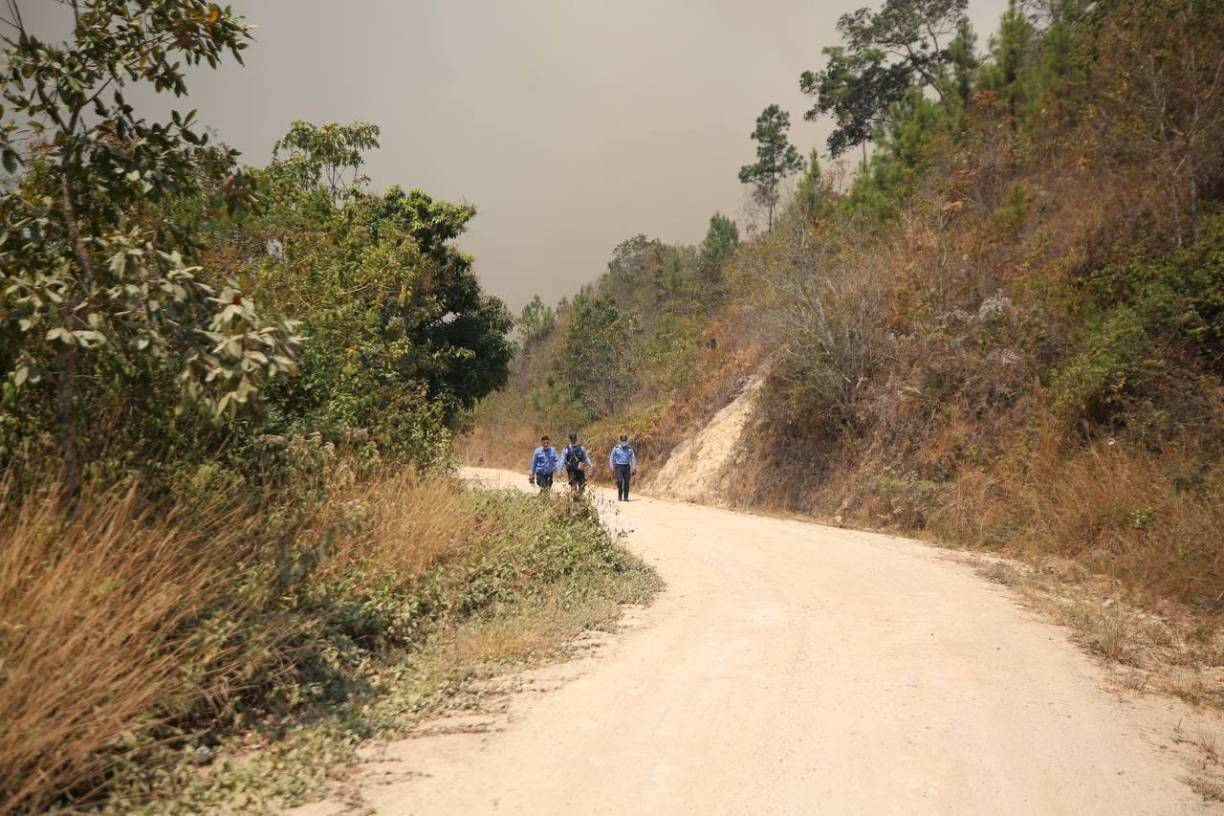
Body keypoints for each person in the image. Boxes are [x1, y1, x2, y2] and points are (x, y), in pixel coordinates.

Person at [608, 434, 637, 501]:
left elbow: (633, 458)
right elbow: (611, 457)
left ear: (627, 441)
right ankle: (620, 495)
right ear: (620, 441)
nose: (624, 442)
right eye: (622, 441)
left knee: (627, 482)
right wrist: (611, 466)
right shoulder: (616, 448)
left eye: (625, 441)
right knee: (620, 481)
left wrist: (634, 468)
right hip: (618, 467)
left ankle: (626, 497)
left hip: (626, 467)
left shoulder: (629, 449)